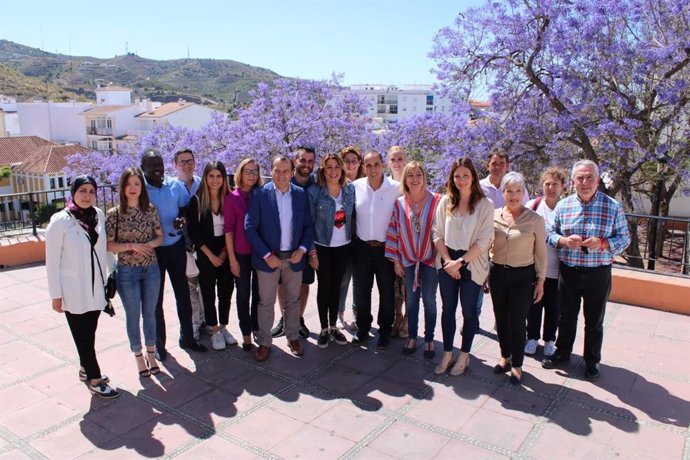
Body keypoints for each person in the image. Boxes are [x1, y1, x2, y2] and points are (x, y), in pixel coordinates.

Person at [542, 160, 631, 380]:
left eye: (590, 177)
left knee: (594, 320)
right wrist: (563, 240)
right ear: (573, 181)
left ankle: (592, 361)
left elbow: (625, 238)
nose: (585, 182)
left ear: (598, 180)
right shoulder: (563, 206)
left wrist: (603, 243)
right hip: (569, 270)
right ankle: (563, 353)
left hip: (598, 272)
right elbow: (549, 234)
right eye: (580, 178)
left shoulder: (613, 206)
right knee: (566, 316)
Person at [46, 175, 119, 398]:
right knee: (83, 337)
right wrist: (56, 295)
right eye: (82, 191)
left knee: (90, 332)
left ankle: (85, 368)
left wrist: (112, 271)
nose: (87, 196)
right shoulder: (60, 221)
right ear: (73, 193)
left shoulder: (97, 215)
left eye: (91, 191)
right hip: (73, 290)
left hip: (96, 287)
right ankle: (95, 379)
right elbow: (52, 261)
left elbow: (104, 247)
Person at [245, 155, 314, 362]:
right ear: (271, 171)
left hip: (294, 257)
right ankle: (265, 342)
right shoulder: (259, 195)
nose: (282, 175)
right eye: (278, 170)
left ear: (292, 172)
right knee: (265, 302)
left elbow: (308, 226)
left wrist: (302, 250)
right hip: (269, 259)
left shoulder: (301, 195)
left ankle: (293, 337)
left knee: (293, 300)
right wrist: (266, 255)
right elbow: (250, 228)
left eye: (286, 171)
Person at [141, 149, 207, 361]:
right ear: (143, 169)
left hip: (176, 247)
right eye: (151, 165)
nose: (156, 169)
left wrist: (182, 219)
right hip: (153, 252)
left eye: (159, 163)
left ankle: (187, 337)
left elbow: (185, 209)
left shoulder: (174, 185)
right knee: (155, 300)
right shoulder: (140, 188)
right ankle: (159, 345)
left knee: (183, 296)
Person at [432, 158, 494, 376]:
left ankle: (464, 355)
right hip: (447, 261)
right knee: (448, 309)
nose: (461, 180)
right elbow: (437, 233)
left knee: (469, 312)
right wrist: (449, 260)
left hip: (471, 263)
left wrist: (461, 262)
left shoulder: (485, 205)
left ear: (473, 177)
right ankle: (448, 352)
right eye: (457, 176)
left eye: (465, 175)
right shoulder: (445, 202)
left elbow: (485, 240)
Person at [489, 172, 547, 385]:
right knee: (501, 319)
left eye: (518, 191)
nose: (513, 196)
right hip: (497, 274)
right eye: (509, 191)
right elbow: (486, 244)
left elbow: (541, 252)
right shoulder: (493, 215)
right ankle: (505, 356)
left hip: (523, 276)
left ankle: (518, 365)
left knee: (516, 321)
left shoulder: (534, 220)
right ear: (502, 193)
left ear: (523, 193)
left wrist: (541, 280)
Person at [106, 168, 164, 377]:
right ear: (122, 187)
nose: (133, 188)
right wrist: (131, 246)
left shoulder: (149, 209)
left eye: (137, 184)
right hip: (127, 272)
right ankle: (138, 357)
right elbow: (109, 245)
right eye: (129, 184)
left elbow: (160, 237)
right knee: (133, 316)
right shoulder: (114, 214)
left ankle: (151, 354)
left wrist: (150, 243)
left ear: (142, 187)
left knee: (150, 314)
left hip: (151, 269)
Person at [385, 161, 441, 358]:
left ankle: (429, 339)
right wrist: (396, 261)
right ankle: (412, 336)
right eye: (410, 175)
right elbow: (394, 231)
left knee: (429, 300)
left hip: (430, 261)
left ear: (424, 177)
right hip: (408, 261)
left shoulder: (437, 201)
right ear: (405, 179)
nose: (415, 179)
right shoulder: (400, 204)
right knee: (411, 301)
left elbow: (444, 231)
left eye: (419, 175)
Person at [351, 150, 401, 349]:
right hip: (362, 248)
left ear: (383, 165)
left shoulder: (396, 188)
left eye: (376, 164)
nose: (372, 169)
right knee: (362, 291)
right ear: (364, 167)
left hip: (386, 249)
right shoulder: (355, 187)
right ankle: (363, 328)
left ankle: (385, 331)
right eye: (368, 165)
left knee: (387, 293)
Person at [308, 153, 355, 349]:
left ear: (342, 169)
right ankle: (324, 328)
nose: (333, 171)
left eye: (337, 167)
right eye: (329, 167)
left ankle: (334, 325)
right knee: (324, 287)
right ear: (323, 170)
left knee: (337, 287)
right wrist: (312, 252)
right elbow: (308, 223)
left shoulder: (349, 189)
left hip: (343, 246)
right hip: (322, 246)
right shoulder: (315, 192)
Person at [188, 161, 236, 351]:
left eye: (219, 176)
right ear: (205, 178)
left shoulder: (229, 198)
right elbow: (194, 233)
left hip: (225, 249)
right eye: (211, 176)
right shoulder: (197, 201)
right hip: (205, 251)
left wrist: (224, 252)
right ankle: (214, 329)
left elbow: (232, 228)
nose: (215, 180)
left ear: (224, 178)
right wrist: (210, 255)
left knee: (226, 290)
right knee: (208, 293)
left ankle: (223, 326)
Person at [272, 146, 316, 339]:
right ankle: (284, 318)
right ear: (294, 161)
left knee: (304, 283)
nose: (306, 165)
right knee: (282, 283)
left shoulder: (317, 185)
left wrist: (312, 250)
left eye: (310, 161)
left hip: (308, 245)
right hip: (284, 246)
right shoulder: (284, 183)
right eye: (302, 160)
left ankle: (297, 319)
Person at [524, 167, 567, 357]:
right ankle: (532, 338)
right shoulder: (533, 205)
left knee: (553, 307)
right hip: (535, 268)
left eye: (555, 184)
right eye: (547, 184)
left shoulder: (567, 207)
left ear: (563, 187)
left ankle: (549, 340)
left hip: (558, 269)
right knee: (533, 305)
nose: (550, 188)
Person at [225, 158, 263, 351]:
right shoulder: (232, 198)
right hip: (240, 254)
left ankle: (256, 326)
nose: (251, 175)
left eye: (255, 171)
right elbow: (229, 230)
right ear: (240, 173)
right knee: (243, 294)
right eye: (248, 171)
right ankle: (246, 332)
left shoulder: (261, 195)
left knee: (258, 293)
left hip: (260, 253)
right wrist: (232, 259)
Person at [173, 149, 209, 341]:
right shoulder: (171, 186)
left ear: (195, 162)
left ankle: (204, 320)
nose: (186, 165)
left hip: (202, 244)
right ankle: (193, 322)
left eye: (190, 161)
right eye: (182, 162)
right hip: (182, 245)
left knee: (204, 286)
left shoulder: (202, 184)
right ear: (175, 164)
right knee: (188, 288)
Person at [337, 146, 364, 330]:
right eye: (346, 160)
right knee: (344, 278)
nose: (350, 164)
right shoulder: (338, 184)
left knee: (359, 280)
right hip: (343, 239)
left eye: (354, 160)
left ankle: (357, 314)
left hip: (361, 239)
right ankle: (339, 313)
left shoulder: (365, 184)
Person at [386, 146, 409, 338]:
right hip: (391, 241)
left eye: (400, 158)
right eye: (393, 159)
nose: (396, 162)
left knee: (409, 284)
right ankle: (397, 316)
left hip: (409, 242)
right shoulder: (385, 184)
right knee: (394, 285)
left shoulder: (412, 181)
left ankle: (408, 320)